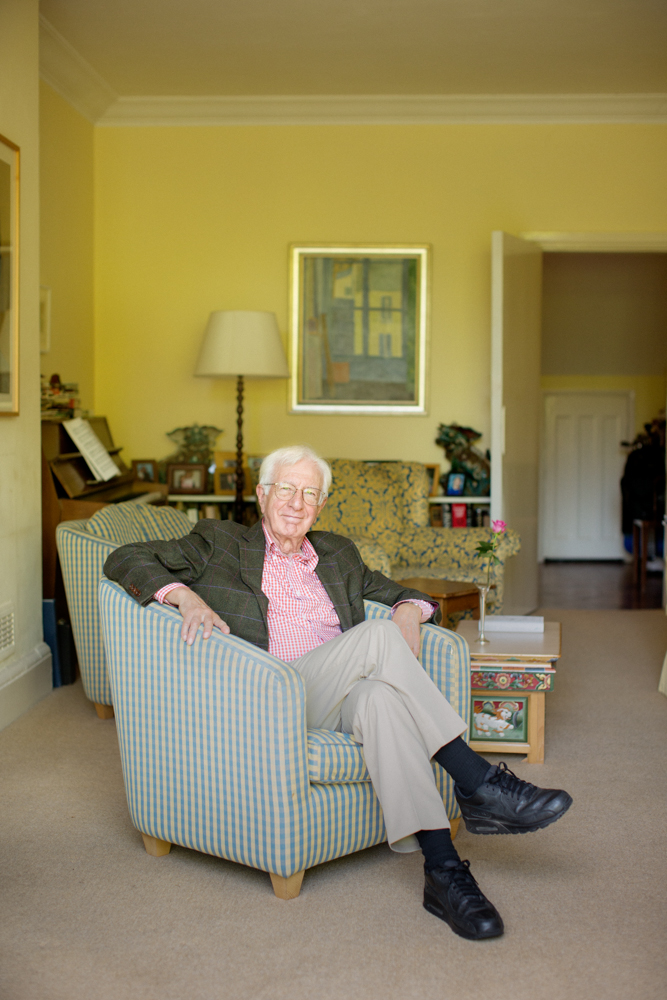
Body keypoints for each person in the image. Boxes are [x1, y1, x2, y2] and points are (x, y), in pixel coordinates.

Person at [104, 445, 572, 940]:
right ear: (263, 495)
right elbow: (126, 557)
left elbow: (394, 589)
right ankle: (477, 779)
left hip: (333, 698)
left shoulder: (338, 553)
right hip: (267, 697)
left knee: (382, 700)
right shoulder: (217, 542)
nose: (297, 502)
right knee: (375, 637)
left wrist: (411, 608)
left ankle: (444, 872)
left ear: (322, 504)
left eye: (310, 493)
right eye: (286, 488)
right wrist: (185, 596)